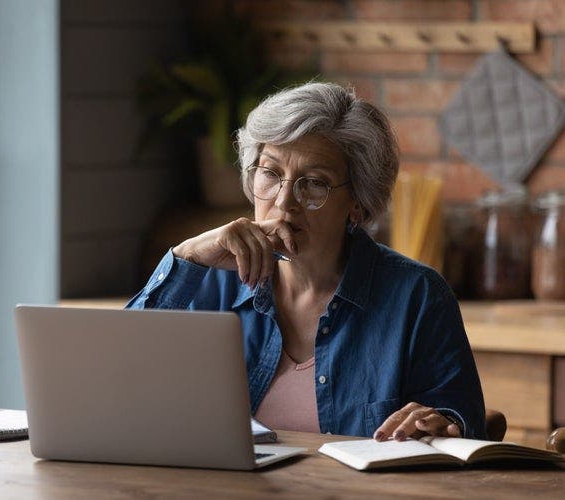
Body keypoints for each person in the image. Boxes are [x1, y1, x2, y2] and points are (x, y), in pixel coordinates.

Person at [127, 82, 486, 441]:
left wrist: (439, 422)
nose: (285, 202)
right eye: (270, 173)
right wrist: (186, 256)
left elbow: (459, 420)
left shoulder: (417, 296)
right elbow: (120, 376)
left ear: (357, 205)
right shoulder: (209, 279)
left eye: (313, 183)